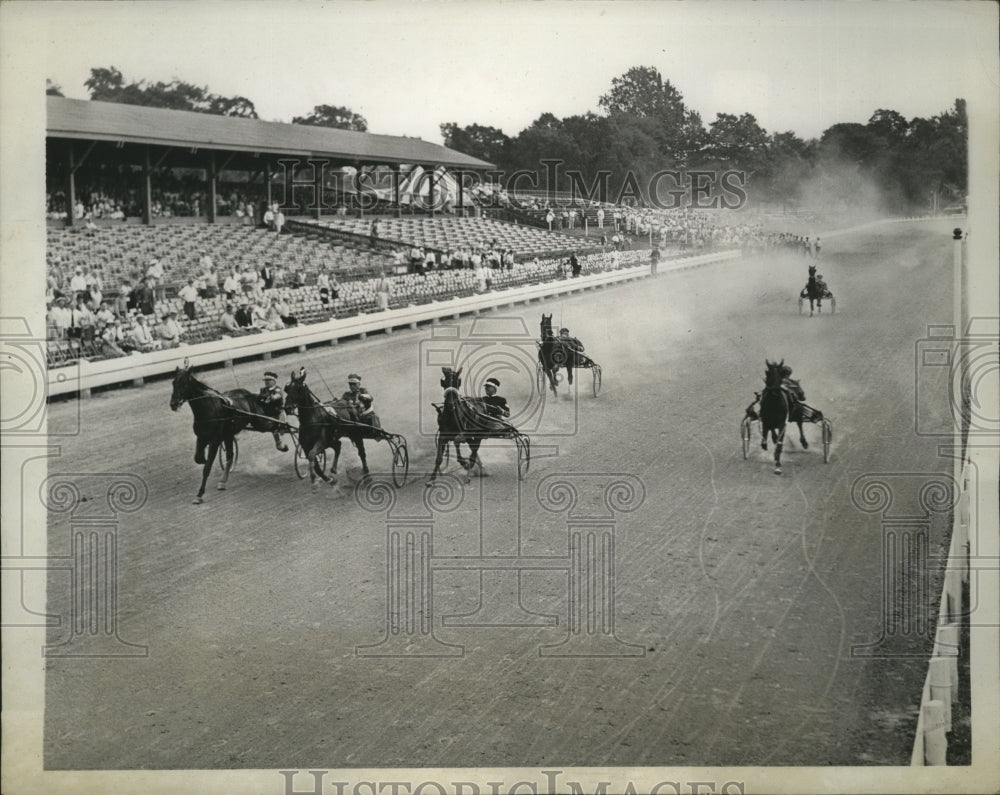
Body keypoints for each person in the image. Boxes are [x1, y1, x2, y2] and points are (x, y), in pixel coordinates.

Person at [258, 372, 290, 451]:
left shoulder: (277, 389)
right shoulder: (263, 390)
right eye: (265, 380)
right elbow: (259, 398)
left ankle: (282, 429)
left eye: (269, 380)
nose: (266, 382)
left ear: (274, 381)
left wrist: (273, 398)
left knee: (280, 422)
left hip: (277, 412)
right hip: (266, 413)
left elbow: (278, 396)